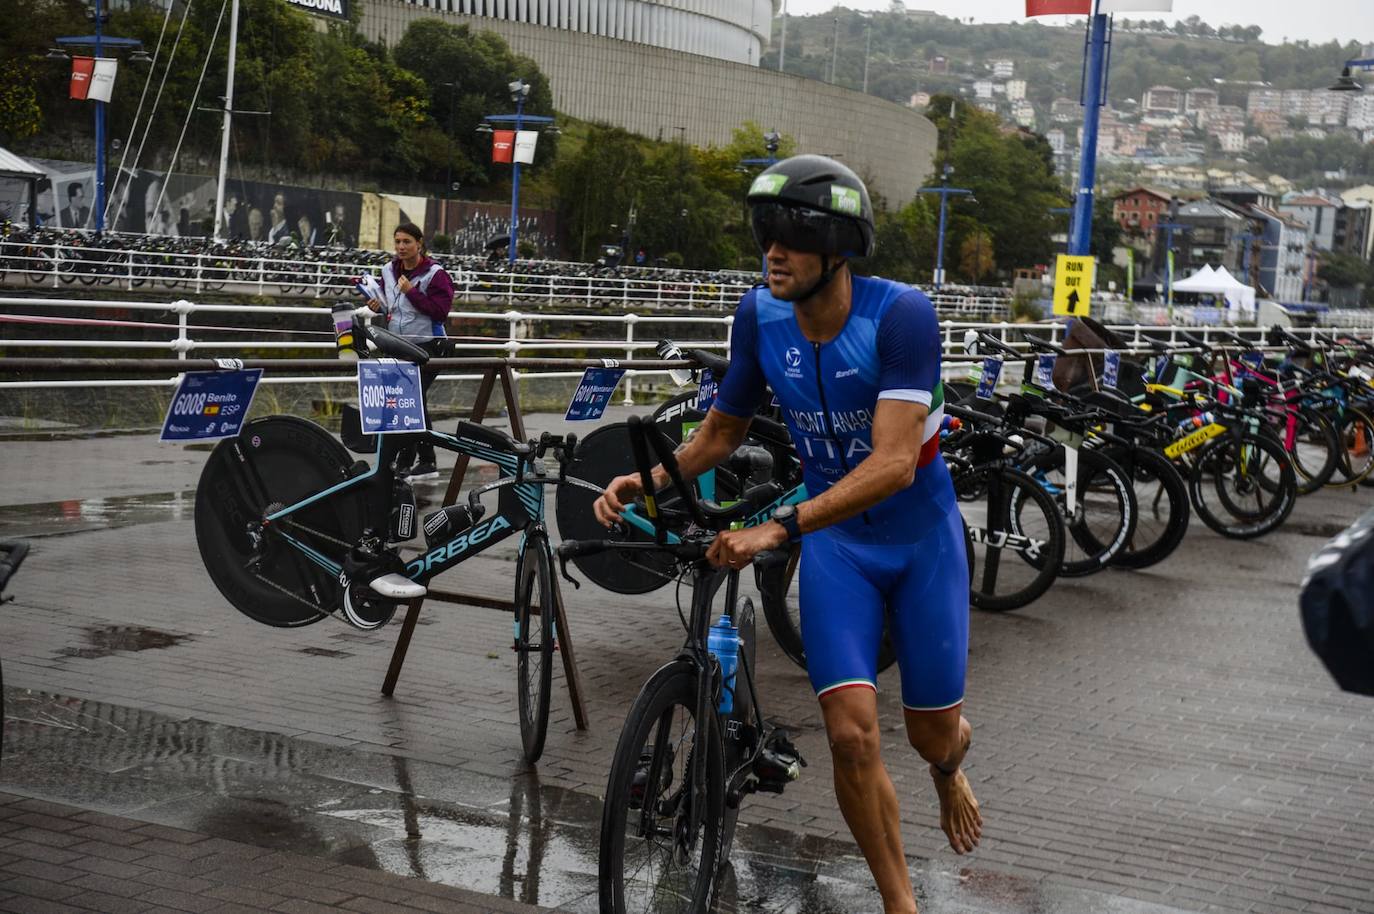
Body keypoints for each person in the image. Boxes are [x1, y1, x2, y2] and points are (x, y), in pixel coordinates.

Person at [592, 155, 980, 914]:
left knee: (933, 737)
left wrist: (776, 528)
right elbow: (722, 432)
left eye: (795, 237)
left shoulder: (900, 315)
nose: (774, 251)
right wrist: (654, 479)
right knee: (849, 736)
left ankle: (947, 765)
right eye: (766, 232)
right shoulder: (760, 317)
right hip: (841, 550)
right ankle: (900, 903)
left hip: (919, 543)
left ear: (838, 249)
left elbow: (897, 462)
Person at [365, 222, 455, 481]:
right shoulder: (388, 270)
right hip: (397, 344)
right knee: (412, 402)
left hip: (429, 346)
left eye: (407, 242)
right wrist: (377, 305)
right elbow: (391, 307)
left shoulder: (435, 274)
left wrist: (412, 292)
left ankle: (405, 463)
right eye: (397, 242)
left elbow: (440, 312)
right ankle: (426, 461)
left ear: (419, 243)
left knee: (410, 401)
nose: (401, 247)